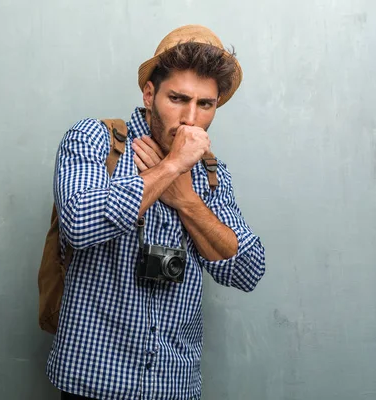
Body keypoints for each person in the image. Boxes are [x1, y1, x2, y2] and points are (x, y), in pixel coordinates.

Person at [47, 25, 266, 400]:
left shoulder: (211, 175)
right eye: (178, 99)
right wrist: (169, 169)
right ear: (149, 94)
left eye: (205, 104)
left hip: (174, 384)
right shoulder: (95, 140)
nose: (190, 119)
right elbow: (78, 225)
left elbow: (247, 269)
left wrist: (185, 200)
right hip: (95, 380)